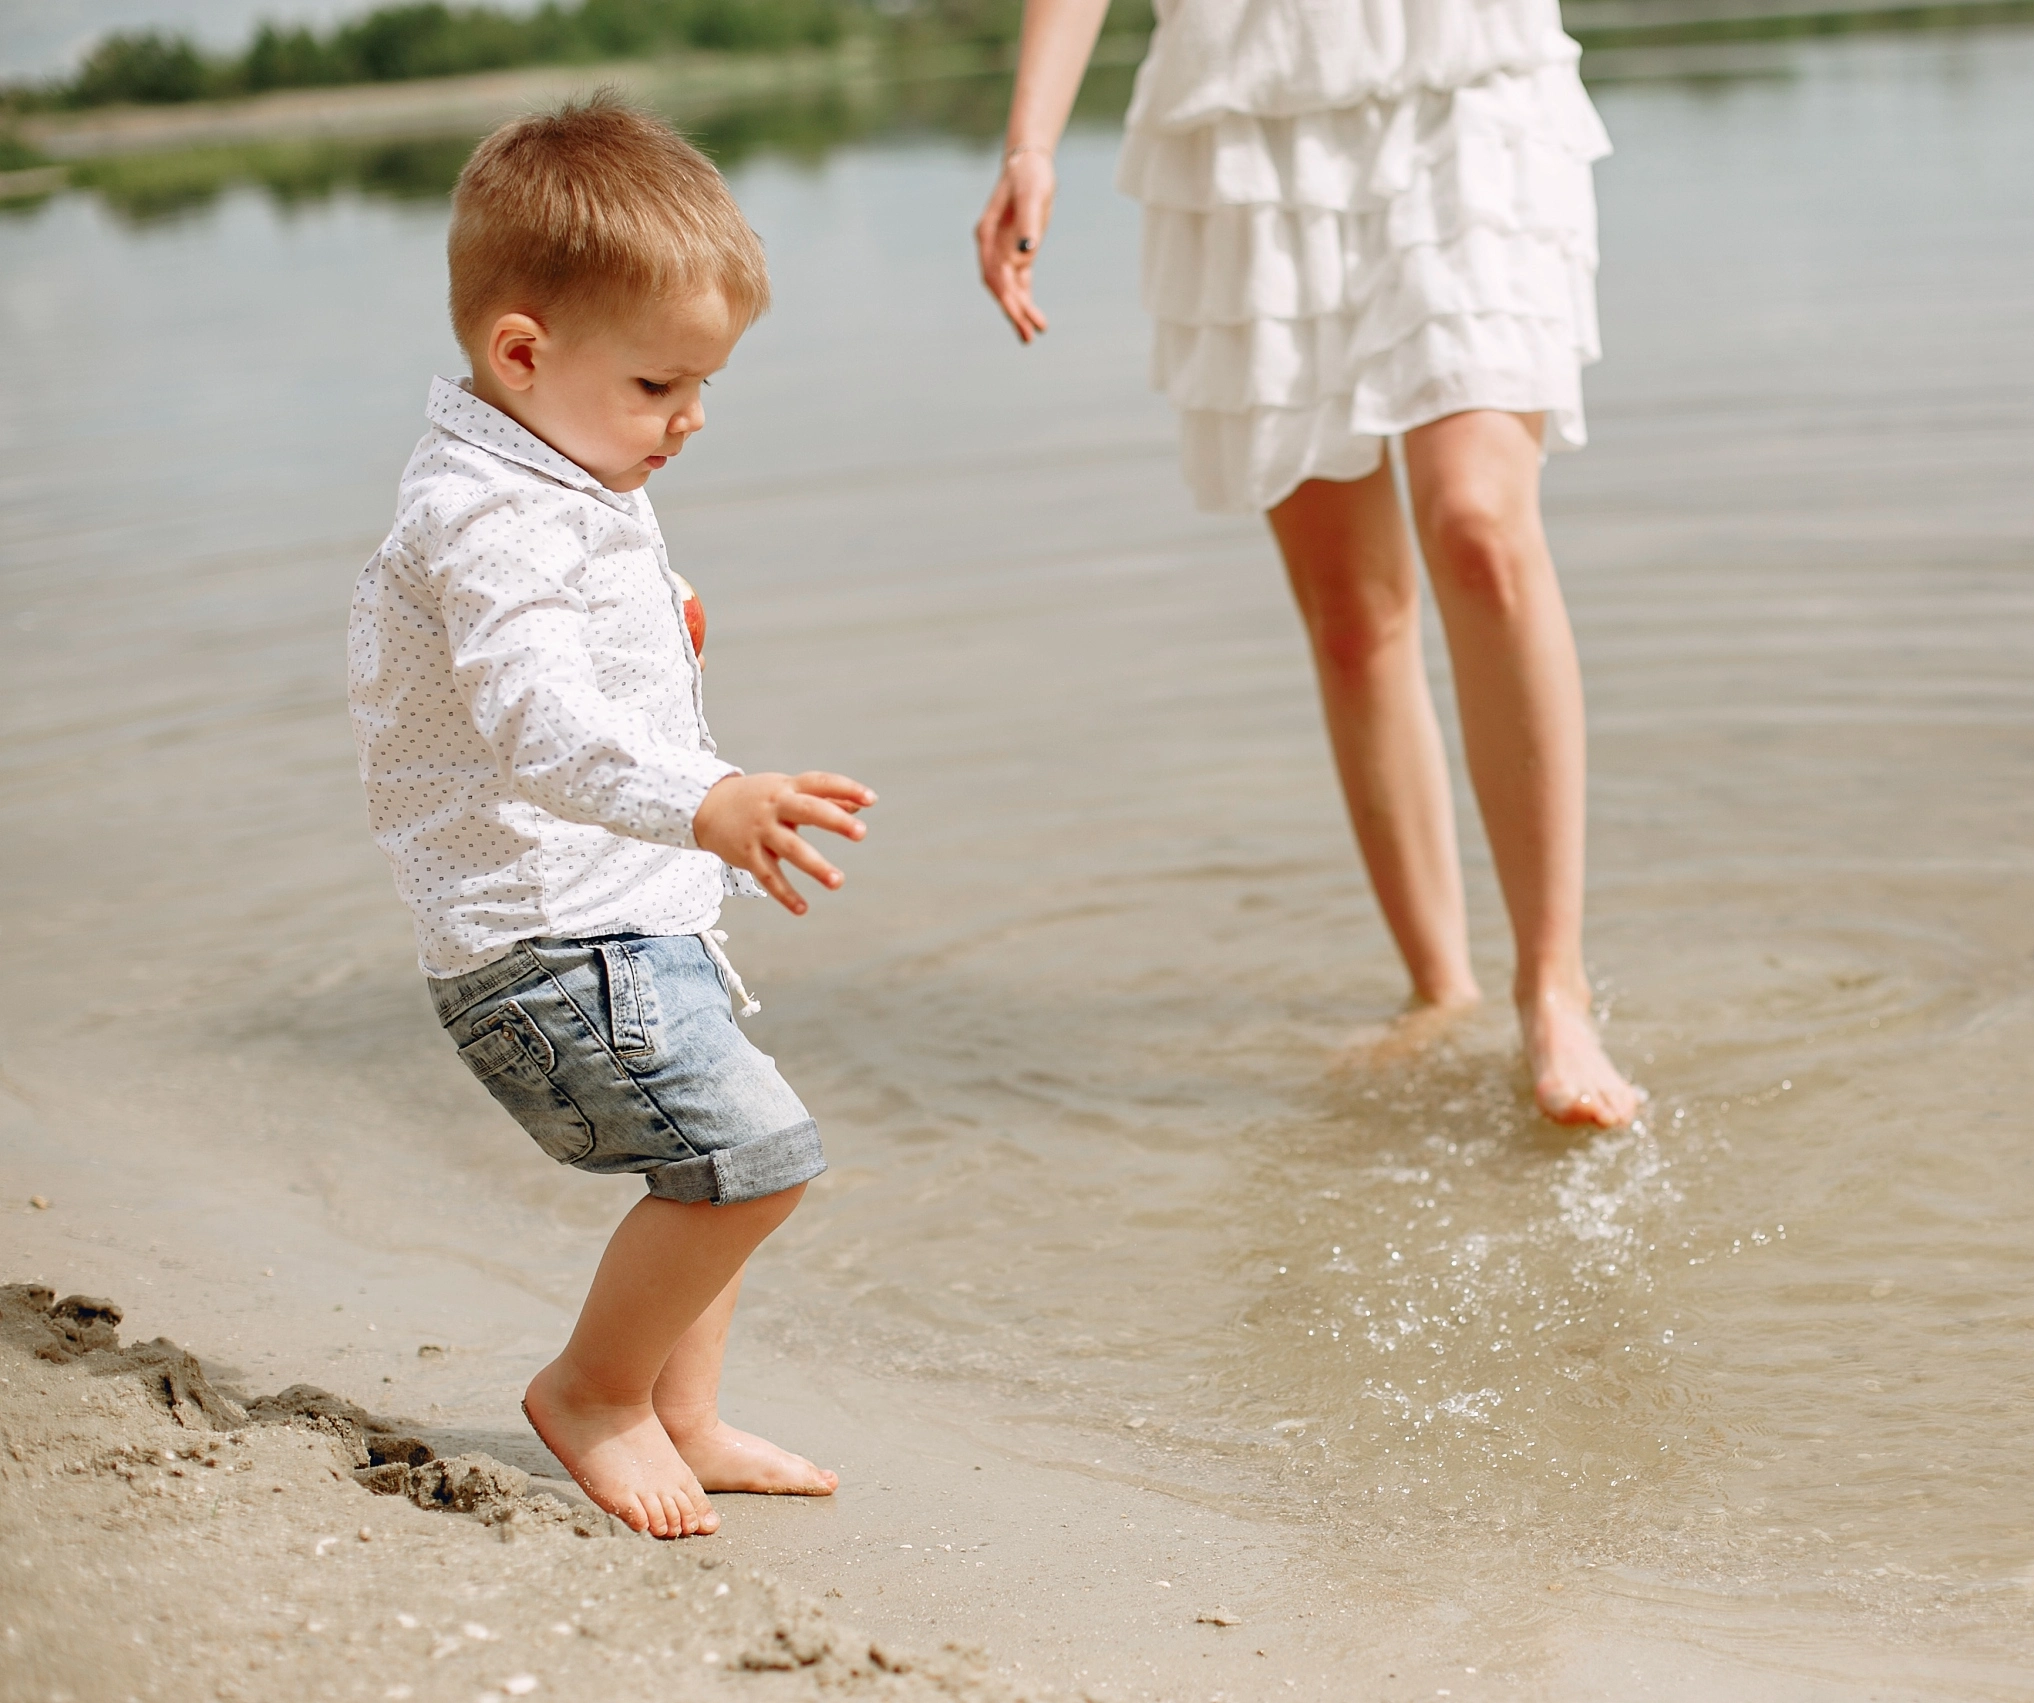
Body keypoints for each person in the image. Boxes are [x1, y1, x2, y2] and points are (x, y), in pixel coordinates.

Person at [976, 0, 1642, 1127]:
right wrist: (1030, 142)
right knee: (1352, 615)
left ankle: (1553, 986)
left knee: (1478, 526)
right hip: (1247, 101)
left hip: (1461, 71)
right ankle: (1439, 988)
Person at [348, 96, 867, 1539]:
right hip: (552, 947)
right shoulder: (487, 513)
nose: (688, 417)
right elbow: (538, 726)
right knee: (759, 1163)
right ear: (524, 351)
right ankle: (595, 1389)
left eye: (703, 384)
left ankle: (683, 1413)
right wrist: (707, 796)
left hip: (627, 920)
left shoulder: (553, 464)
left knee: (721, 1161)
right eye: (658, 384)